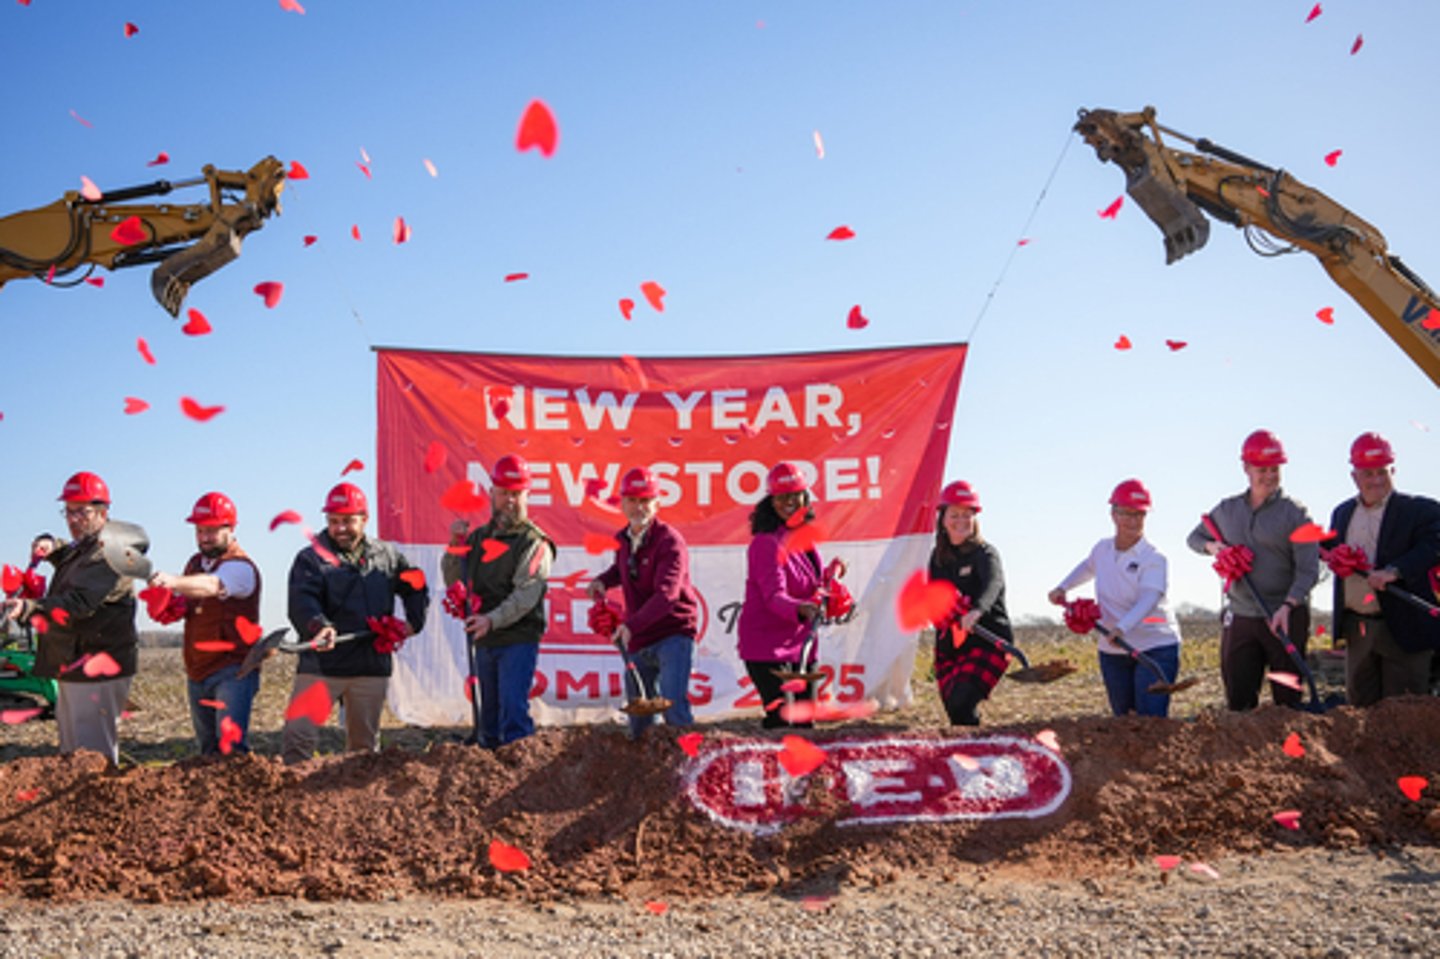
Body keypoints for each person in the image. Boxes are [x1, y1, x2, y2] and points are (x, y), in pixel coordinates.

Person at [281, 482, 428, 764]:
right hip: (321, 665)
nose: (340, 528)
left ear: (364, 519)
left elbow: (415, 584)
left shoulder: (386, 556)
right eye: (334, 521)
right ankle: (295, 801)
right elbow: (302, 601)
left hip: (370, 666)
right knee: (297, 738)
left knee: (363, 751)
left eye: (348, 521)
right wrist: (319, 626)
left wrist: (413, 622)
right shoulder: (310, 559)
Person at [1, 472, 141, 764]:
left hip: (99, 665)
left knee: (92, 756)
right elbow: (75, 554)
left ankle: (99, 807)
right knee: (73, 752)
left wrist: (28, 608)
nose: (73, 518)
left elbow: (80, 602)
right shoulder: (88, 545)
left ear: (102, 513)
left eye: (82, 511)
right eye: (69, 510)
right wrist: (51, 545)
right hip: (77, 661)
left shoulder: (111, 553)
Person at [1187, 429, 1320, 710]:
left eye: (1275, 469)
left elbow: (1309, 570)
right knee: (1239, 701)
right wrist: (1214, 548)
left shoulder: (1295, 514)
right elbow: (1194, 538)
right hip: (1241, 617)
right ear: (1246, 468)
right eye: (1262, 469)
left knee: (1287, 704)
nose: (1269, 475)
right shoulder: (1227, 510)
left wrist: (1288, 605)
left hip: (1284, 618)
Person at [441, 454, 555, 748]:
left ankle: (521, 780)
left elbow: (526, 594)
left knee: (513, 713)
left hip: (517, 638)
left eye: (516, 494)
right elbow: (455, 581)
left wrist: (491, 620)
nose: (510, 501)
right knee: (487, 718)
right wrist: (456, 547)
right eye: (504, 493)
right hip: (485, 639)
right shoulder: (477, 538)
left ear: (527, 495)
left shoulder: (534, 542)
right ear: (491, 493)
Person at [1048, 479, 1183, 717]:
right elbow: (1089, 567)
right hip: (1113, 650)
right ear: (1113, 514)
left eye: (1140, 515)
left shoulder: (1153, 558)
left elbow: (1149, 598)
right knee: (1123, 720)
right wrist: (1063, 587)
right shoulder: (1102, 549)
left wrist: (1123, 627)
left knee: (1149, 718)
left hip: (1154, 646)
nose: (1134, 521)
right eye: (1127, 514)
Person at [1323, 432, 1440, 705]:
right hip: (1358, 628)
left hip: (1403, 628)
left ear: (1394, 470)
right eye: (1368, 473)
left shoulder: (1419, 511)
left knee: (1404, 714)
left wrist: (1395, 571)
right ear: (1355, 477)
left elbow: (1435, 544)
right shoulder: (1341, 514)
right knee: (1360, 713)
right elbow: (1334, 552)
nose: (1376, 480)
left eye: (1382, 472)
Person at [587, 466, 700, 737]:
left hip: (673, 633)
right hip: (641, 636)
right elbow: (622, 569)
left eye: (645, 500)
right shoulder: (623, 539)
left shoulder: (670, 542)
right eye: (633, 500)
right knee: (639, 718)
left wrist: (631, 626)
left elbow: (667, 595)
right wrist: (602, 581)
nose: (638, 507)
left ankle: (688, 768)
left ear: (657, 503)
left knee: (674, 709)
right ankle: (644, 776)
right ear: (623, 503)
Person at [147, 492, 263, 756]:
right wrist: (170, 605)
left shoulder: (241, 568)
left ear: (231, 529)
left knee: (230, 749)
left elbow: (212, 585)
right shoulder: (195, 563)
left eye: (212, 530)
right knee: (208, 750)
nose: (204, 537)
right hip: (198, 670)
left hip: (233, 670)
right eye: (200, 530)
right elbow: (191, 599)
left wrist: (173, 583)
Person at [737, 462, 844, 729]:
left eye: (795, 495)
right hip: (767, 648)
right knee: (782, 720)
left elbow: (812, 584)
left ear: (805, 498)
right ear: (771, 501)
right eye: (782, 496)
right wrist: (802, 609)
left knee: (805, 722)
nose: (790, 502)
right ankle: (778, 770)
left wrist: (831, 573)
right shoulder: (766, 543)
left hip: (802, 646)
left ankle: (803, 771)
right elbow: (774, 596)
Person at [927, 480, 1013, 726]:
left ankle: (981, 751)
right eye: (954, 514)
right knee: (955, 710)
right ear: (943, 518)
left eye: (967, 514)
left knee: (962, 699)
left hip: (988, 639)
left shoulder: (985, 553)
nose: (961, 521)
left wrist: (977, 611)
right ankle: (971, 751)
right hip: (952, 645)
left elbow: (993, 585)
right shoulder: (938, 557)